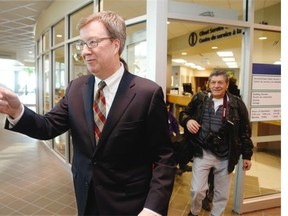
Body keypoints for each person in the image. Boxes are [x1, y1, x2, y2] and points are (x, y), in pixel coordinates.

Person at [0, 11, 176, 216]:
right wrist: (18, 111)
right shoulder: (76, 88)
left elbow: (164, 156)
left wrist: (153, 208)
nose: (84, 51)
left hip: (130, 204)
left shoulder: (146, 93)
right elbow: (48, 127)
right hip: (86, 197)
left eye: (92, 42)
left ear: (116, 44)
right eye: (82, 44)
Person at [179, 70, 254, 216]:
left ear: (226, 85)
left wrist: (247, 155)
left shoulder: (236, 104)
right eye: (213, 82)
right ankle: (194, 212)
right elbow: (183, 114)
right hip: (202, 152)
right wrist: (188, 121)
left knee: (221, 194)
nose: (216, 85)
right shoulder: (200, 99)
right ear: (209, 84)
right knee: (197, 190)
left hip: (226, 155)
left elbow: (245, 131)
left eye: (220, 82)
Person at [166, 102, 192, 175]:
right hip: (165, 137)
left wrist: (177, 134)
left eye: (168, 108)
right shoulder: (159, 116)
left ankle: (182, 164)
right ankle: (174, 166)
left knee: (186, 143)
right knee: (176, 146)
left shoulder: (170, 115)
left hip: (172, 136)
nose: (167, 110)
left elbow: (175, 124)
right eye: (166, 108)